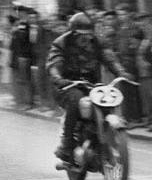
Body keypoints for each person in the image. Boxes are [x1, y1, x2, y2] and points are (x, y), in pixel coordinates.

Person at [46, 12, 131, 163]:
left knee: (106, 99)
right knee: (76, 99)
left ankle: (101, 135)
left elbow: (109, 58)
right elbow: (54, 63)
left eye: (88, 34)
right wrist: (58, 78)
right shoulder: (61, 43)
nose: (85, 38)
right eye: (80, 35)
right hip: (67, 86)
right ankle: (66, 144)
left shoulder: (98, 42)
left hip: (92, 85)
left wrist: (121, 72)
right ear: (72, 33)